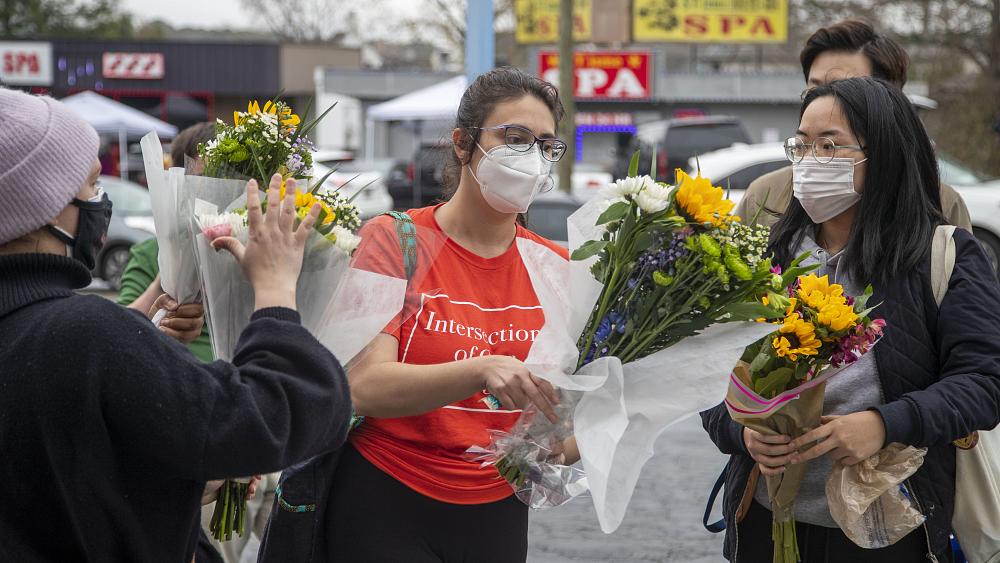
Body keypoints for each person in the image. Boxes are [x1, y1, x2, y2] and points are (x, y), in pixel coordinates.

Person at [0, 88, 352, 562]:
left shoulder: (51, 330)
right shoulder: (84, 333)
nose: (100, 200)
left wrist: (178, 487)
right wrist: (275, 289)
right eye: (91, 185)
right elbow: (284, 415)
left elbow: (67, 487)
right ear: (39, 207)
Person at [701, 77, 1000, 562]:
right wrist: (743, 433)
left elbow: (984, 382)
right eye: (801, 145)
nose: (809, 160)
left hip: (891, 524)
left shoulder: (942, 255)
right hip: (767, 517)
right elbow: (702, 374)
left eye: (829, 145)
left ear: (883, 154)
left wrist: (884, 425)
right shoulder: (764, 256)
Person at [322, 67, 575, 562]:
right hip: (384, 496)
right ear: (462, 144)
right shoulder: (391, 239)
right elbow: (362, 385)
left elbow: (562, 430)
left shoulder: (557, 268)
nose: (531, 157)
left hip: (497, 510)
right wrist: (481, 369)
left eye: (546, 145)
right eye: (515, 138)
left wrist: (601, 421)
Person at [734, 19, 972, 232]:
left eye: (843, 88)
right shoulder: (765, 197)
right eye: (814, 88)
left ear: (889, 100)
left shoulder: (939, 204)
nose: (824, 99)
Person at [119, 121, 217, 362]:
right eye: (204, 180)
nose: (217, 191)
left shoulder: (256, 253)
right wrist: (165, 280)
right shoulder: (150, 254)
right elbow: (116, 331)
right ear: (178, 185)